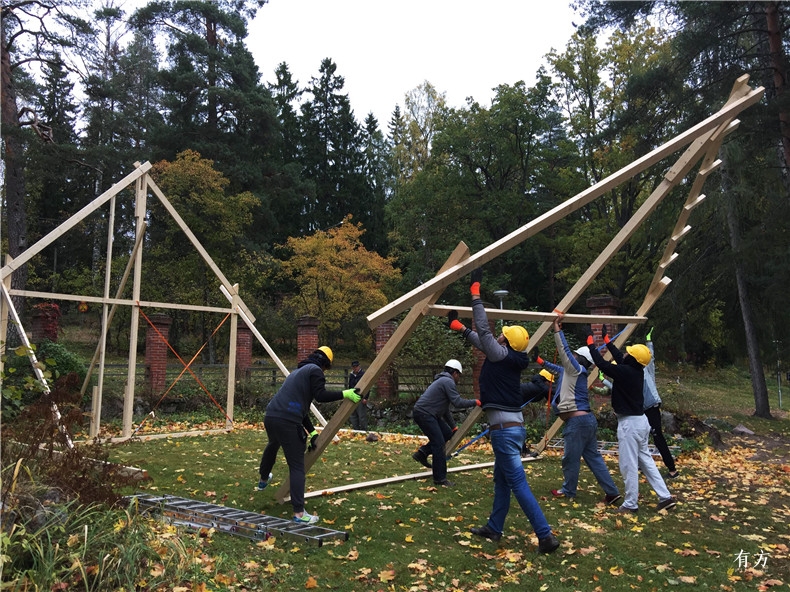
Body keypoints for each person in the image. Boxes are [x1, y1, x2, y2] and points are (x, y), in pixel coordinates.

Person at [448, 268, 559, 554]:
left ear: (506, 342)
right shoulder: (508, 357)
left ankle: (545, 536)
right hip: (512, 428)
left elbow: (484, 332)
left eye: (502, 336)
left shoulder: (501, 355)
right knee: (502, 480)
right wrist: (460, 329)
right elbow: (482, 339)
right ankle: (494, 528)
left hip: (504, 431)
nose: (498, 336)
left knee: (518, 483)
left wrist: (476, 294)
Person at [257, 346, 361, 524]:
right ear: (326, 364)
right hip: (288, 421)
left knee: (273, 444)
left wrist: (312, 432)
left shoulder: (297, 373)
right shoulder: (315, 371)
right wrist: (346, 394)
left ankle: (263, 479)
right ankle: (299, 514)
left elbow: (301, 408)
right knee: (297, 467)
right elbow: (320, 396)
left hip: (271, 416)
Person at [586, 326, 677, 514]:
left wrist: (591, 346)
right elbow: (620, 358)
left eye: (629, 353)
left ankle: (630, 504)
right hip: (640, 422)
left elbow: (603, 365)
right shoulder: (635, 370)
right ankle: (665, 496)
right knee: (646, 461)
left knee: (628, 465)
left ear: (633, 359)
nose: (625, 354)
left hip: (630, 425)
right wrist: (607, 341)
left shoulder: (626, 372)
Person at [535, 314, 621, 505]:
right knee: (594, 459)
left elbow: (564, 352)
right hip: (586, 421)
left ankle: (568, 491)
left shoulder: (575, 368)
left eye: (575, 355)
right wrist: (540, 361)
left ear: (580, 359)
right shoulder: (574, 371)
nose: (571, 356)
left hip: (577, 422)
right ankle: (612, 492)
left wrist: (558, 330)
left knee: (570, 459)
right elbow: (558, 367)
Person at [410, 359, 480, 486]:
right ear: (454, 373)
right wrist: (475, 402)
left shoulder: (442, 380)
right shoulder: (448, 381)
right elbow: (457, 403)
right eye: (459, 375)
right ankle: (440, 478)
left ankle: (423, 453)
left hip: (428, 413)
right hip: (425, 414)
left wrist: (453, 427)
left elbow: (445, 409)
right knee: (439, 443)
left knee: (447, 433)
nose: (459, 378)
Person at [643, 328, 679, 478]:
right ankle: (644, 466)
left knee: (658, 438)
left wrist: (649, 341)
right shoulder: (632, 373)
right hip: (643, 410)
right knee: (642, 438)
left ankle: (672, 470)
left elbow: (651, 358)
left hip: (651, 408)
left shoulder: (646, 370)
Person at [348, 361, 369, 431]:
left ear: (359, 366)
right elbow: (350, 386)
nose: (355, 368)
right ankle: (355, 429)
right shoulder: (351, 375)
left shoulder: (363, 374)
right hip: (353, 396)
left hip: (361, 397)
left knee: (361, 415)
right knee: (353, 415)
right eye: (354, 367)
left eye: (356, 367)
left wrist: (365, 398)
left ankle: (364, 430)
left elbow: (367, 386)